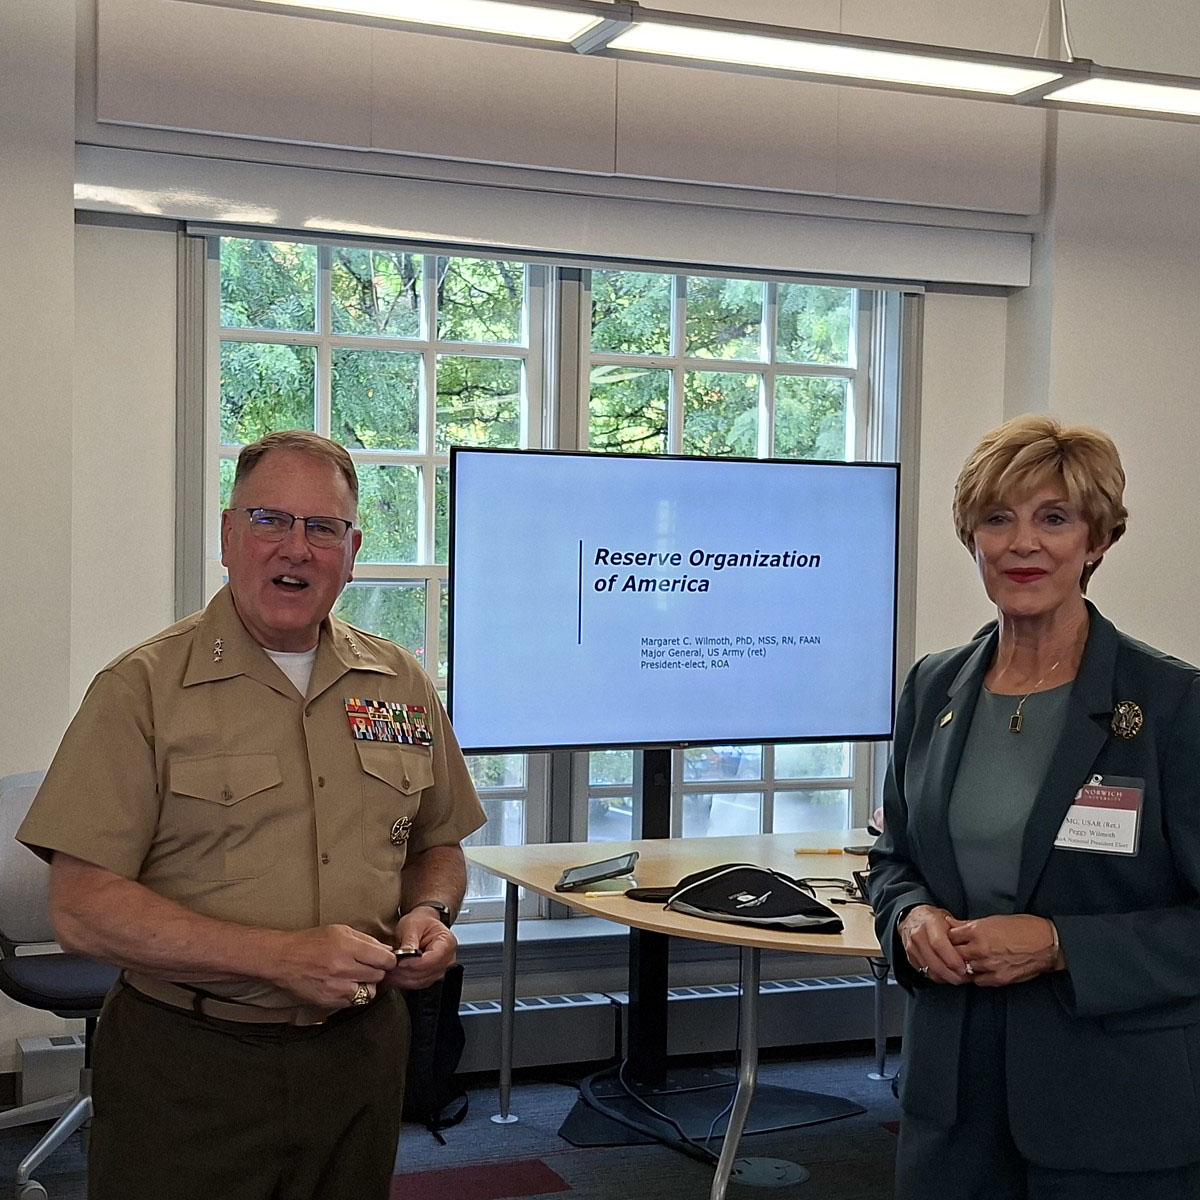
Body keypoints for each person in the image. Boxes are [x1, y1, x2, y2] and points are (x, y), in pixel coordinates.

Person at [17, 430, 486, 1200]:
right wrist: (277, 957)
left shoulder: (397, 681)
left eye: (321, 528)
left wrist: (430, 912)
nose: (295, 549)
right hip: (192, 1061)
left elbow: (438, 843)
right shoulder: (141, 690)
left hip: (361, 1059)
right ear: (230, 534)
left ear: (351, 548)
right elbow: (82, 910)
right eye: (271, 520)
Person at [868, 414, 1200, 1200]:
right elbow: (894, 860)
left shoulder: (1173, 704)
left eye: (1054, 518)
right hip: (950, 1102)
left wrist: (1059, 945)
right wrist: (910, 919)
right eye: (998, 518)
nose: (1023, 544)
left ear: (1098, 542)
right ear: (972, 539)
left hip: (1115, 1111)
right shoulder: (932, 686)